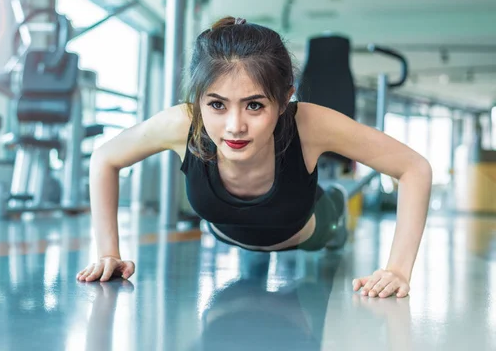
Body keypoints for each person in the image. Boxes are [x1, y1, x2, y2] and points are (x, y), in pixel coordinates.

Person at [77, 17, 432, 299]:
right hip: (231, 232)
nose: (234, 126)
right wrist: (109, 252)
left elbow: (413, 167)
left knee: (331, 222)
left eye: (255, 105)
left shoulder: (309, 122)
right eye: (216, 104)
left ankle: (335, 200)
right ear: (198, 99)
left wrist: (398, 269)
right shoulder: (182, 123)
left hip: (309, 229)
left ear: (284, 99)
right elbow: (105, 158)